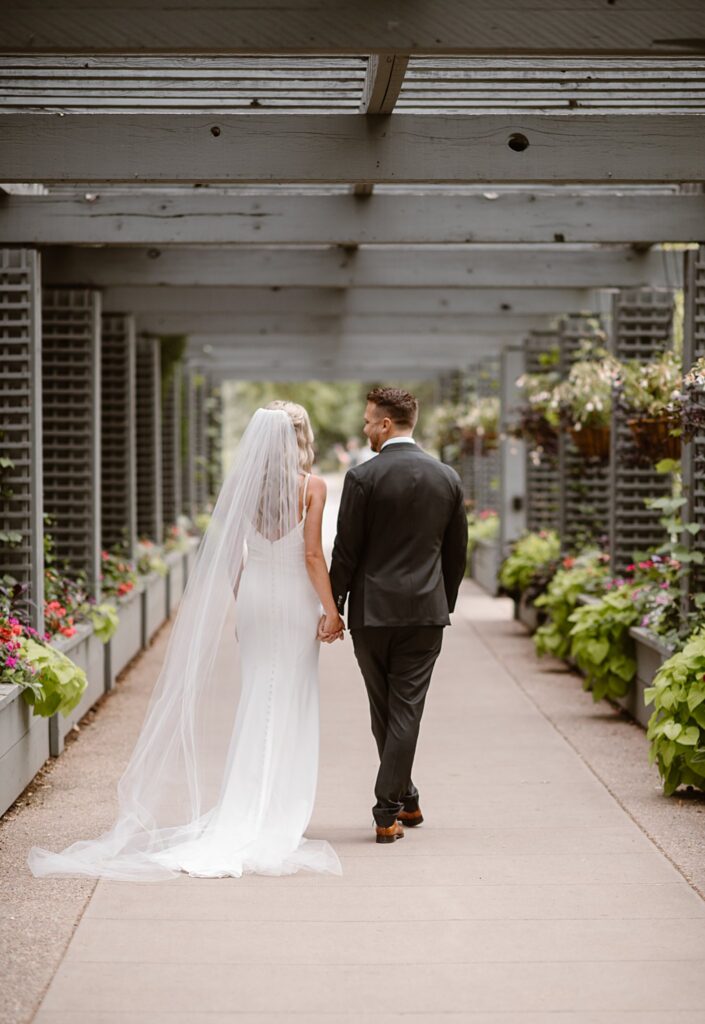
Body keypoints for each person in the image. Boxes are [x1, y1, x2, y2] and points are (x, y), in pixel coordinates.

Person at [28, 402, 344, 880]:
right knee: (292, 695)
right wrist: (332, 610)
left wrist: (243, 604)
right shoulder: (311, 487)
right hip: (296, 600)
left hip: (256, 598)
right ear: (300, 437)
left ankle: (246, 802)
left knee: (258, 694)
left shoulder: (243, 489)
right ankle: (276, 807)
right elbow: (313, 556)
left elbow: (235, 558)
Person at [324, 387, 468, 845]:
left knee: (387, 708)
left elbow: (346, 550)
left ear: (386, 424)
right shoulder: (446, 477)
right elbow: (456, 553)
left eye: (369, 421)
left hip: (373, 614)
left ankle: (385, 811)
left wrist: (336, 605)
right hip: (424, 614)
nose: (365, 428)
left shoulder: (363, 478)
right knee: (398, 709)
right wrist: (442, 602)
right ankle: (405, 798)